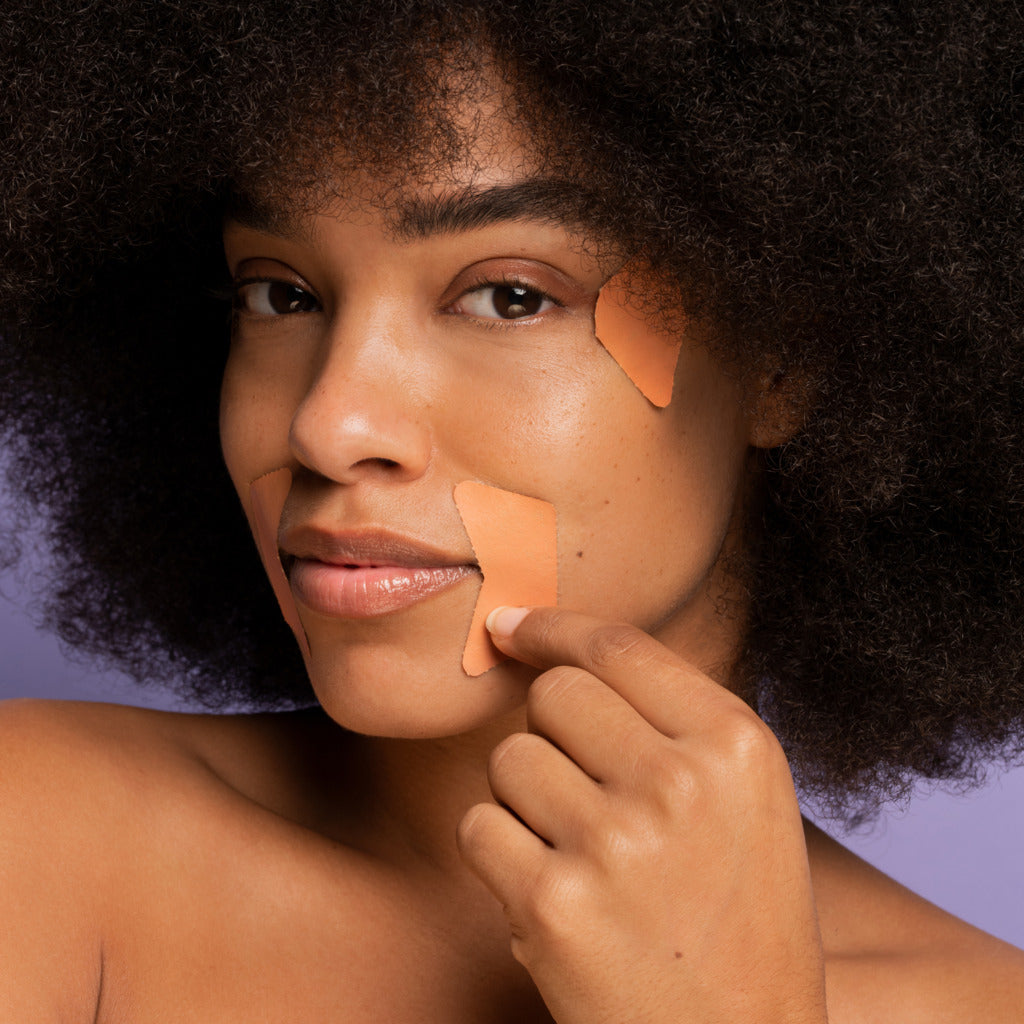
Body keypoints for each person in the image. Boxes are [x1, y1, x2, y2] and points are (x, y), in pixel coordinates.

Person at [1, 1, 1022, 1020]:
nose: (330, 423)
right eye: (280, 294)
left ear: (782, 362)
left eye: (510, 296)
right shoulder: (40, 838)